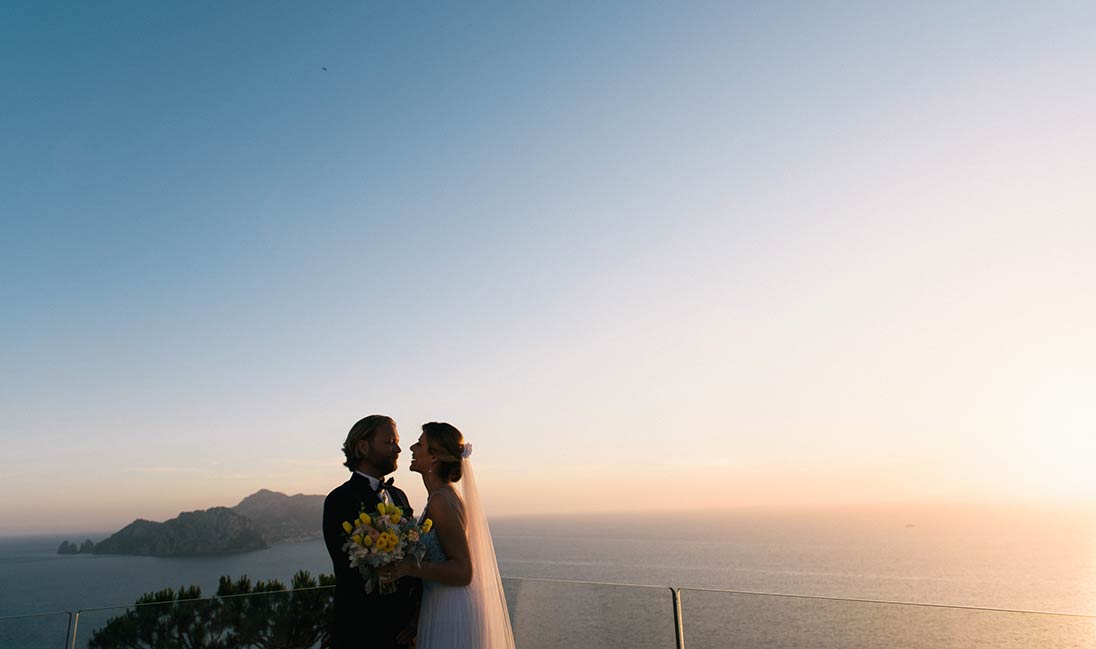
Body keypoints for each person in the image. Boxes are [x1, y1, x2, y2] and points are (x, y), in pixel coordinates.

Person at [380, 422, 516, 649]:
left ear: (434, 458)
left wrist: (408, 567)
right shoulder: (440, 497)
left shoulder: (441, 500)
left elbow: (463, 571)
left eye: (420, 443)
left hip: (451, 610)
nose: (412, 448)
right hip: (439, 603)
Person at [323, 415, 420, 649]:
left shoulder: (399, 495)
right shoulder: (340, 500)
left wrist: (416, 618)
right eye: (389, 442)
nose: (398, 448)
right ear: (363, 447)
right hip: (360, 631)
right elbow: (348, 565)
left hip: (403, 633)